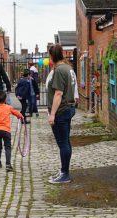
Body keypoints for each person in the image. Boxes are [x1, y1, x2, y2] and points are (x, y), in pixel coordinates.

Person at [45, 44, 77, 184]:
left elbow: (58, 93)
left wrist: (52, 114)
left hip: (61, 111)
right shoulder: (68, 68)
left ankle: (65, 174)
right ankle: (63, 170)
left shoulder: (59, 70)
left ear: (52, 56)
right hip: (68, 108)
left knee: (63, 143)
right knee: (66, 142)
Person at [0, 90, 25, 172]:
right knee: (7, 147)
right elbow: (16, 113)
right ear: (5, 99)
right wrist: (21, 116)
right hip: (6, 131)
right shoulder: (9, 107)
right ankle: (8, 164)